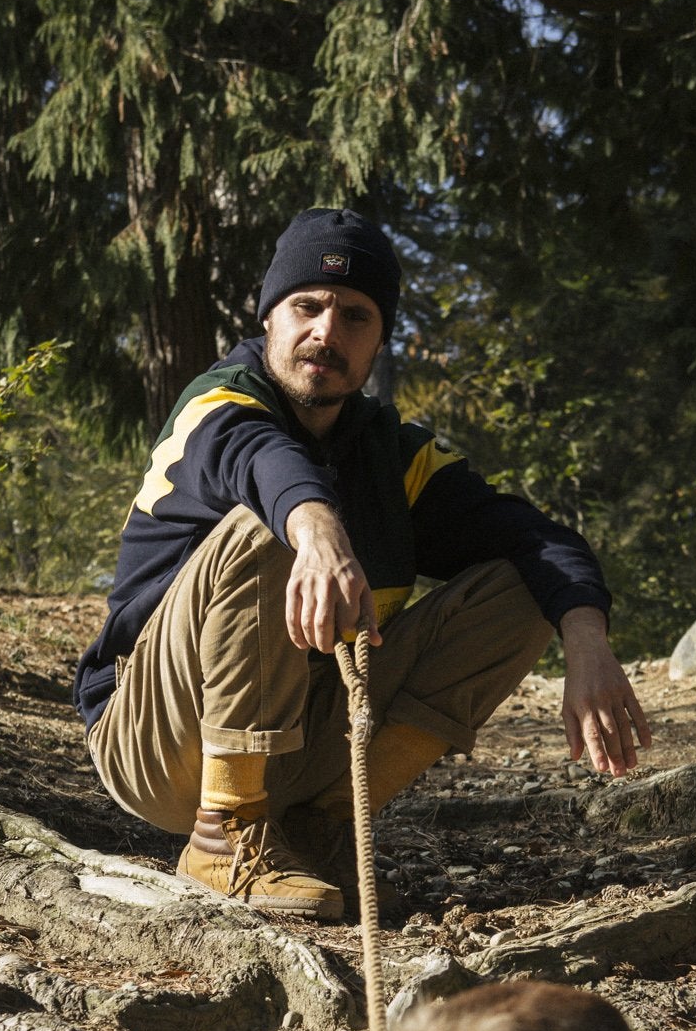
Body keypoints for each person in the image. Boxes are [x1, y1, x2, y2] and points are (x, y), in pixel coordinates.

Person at [74, 208, 650, 922]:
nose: (326, 331)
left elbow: (532, 536)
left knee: (525, 587)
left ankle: (319, 828)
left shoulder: (394, 454)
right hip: (160, 742)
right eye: (306, 307)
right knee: (268, 530)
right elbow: (262, 461)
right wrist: (315, 530)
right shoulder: (216, 406)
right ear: (269, 320)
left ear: (378, 341)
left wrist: (586, 641)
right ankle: (224, 837)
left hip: (306, 745)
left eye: (355, 316)